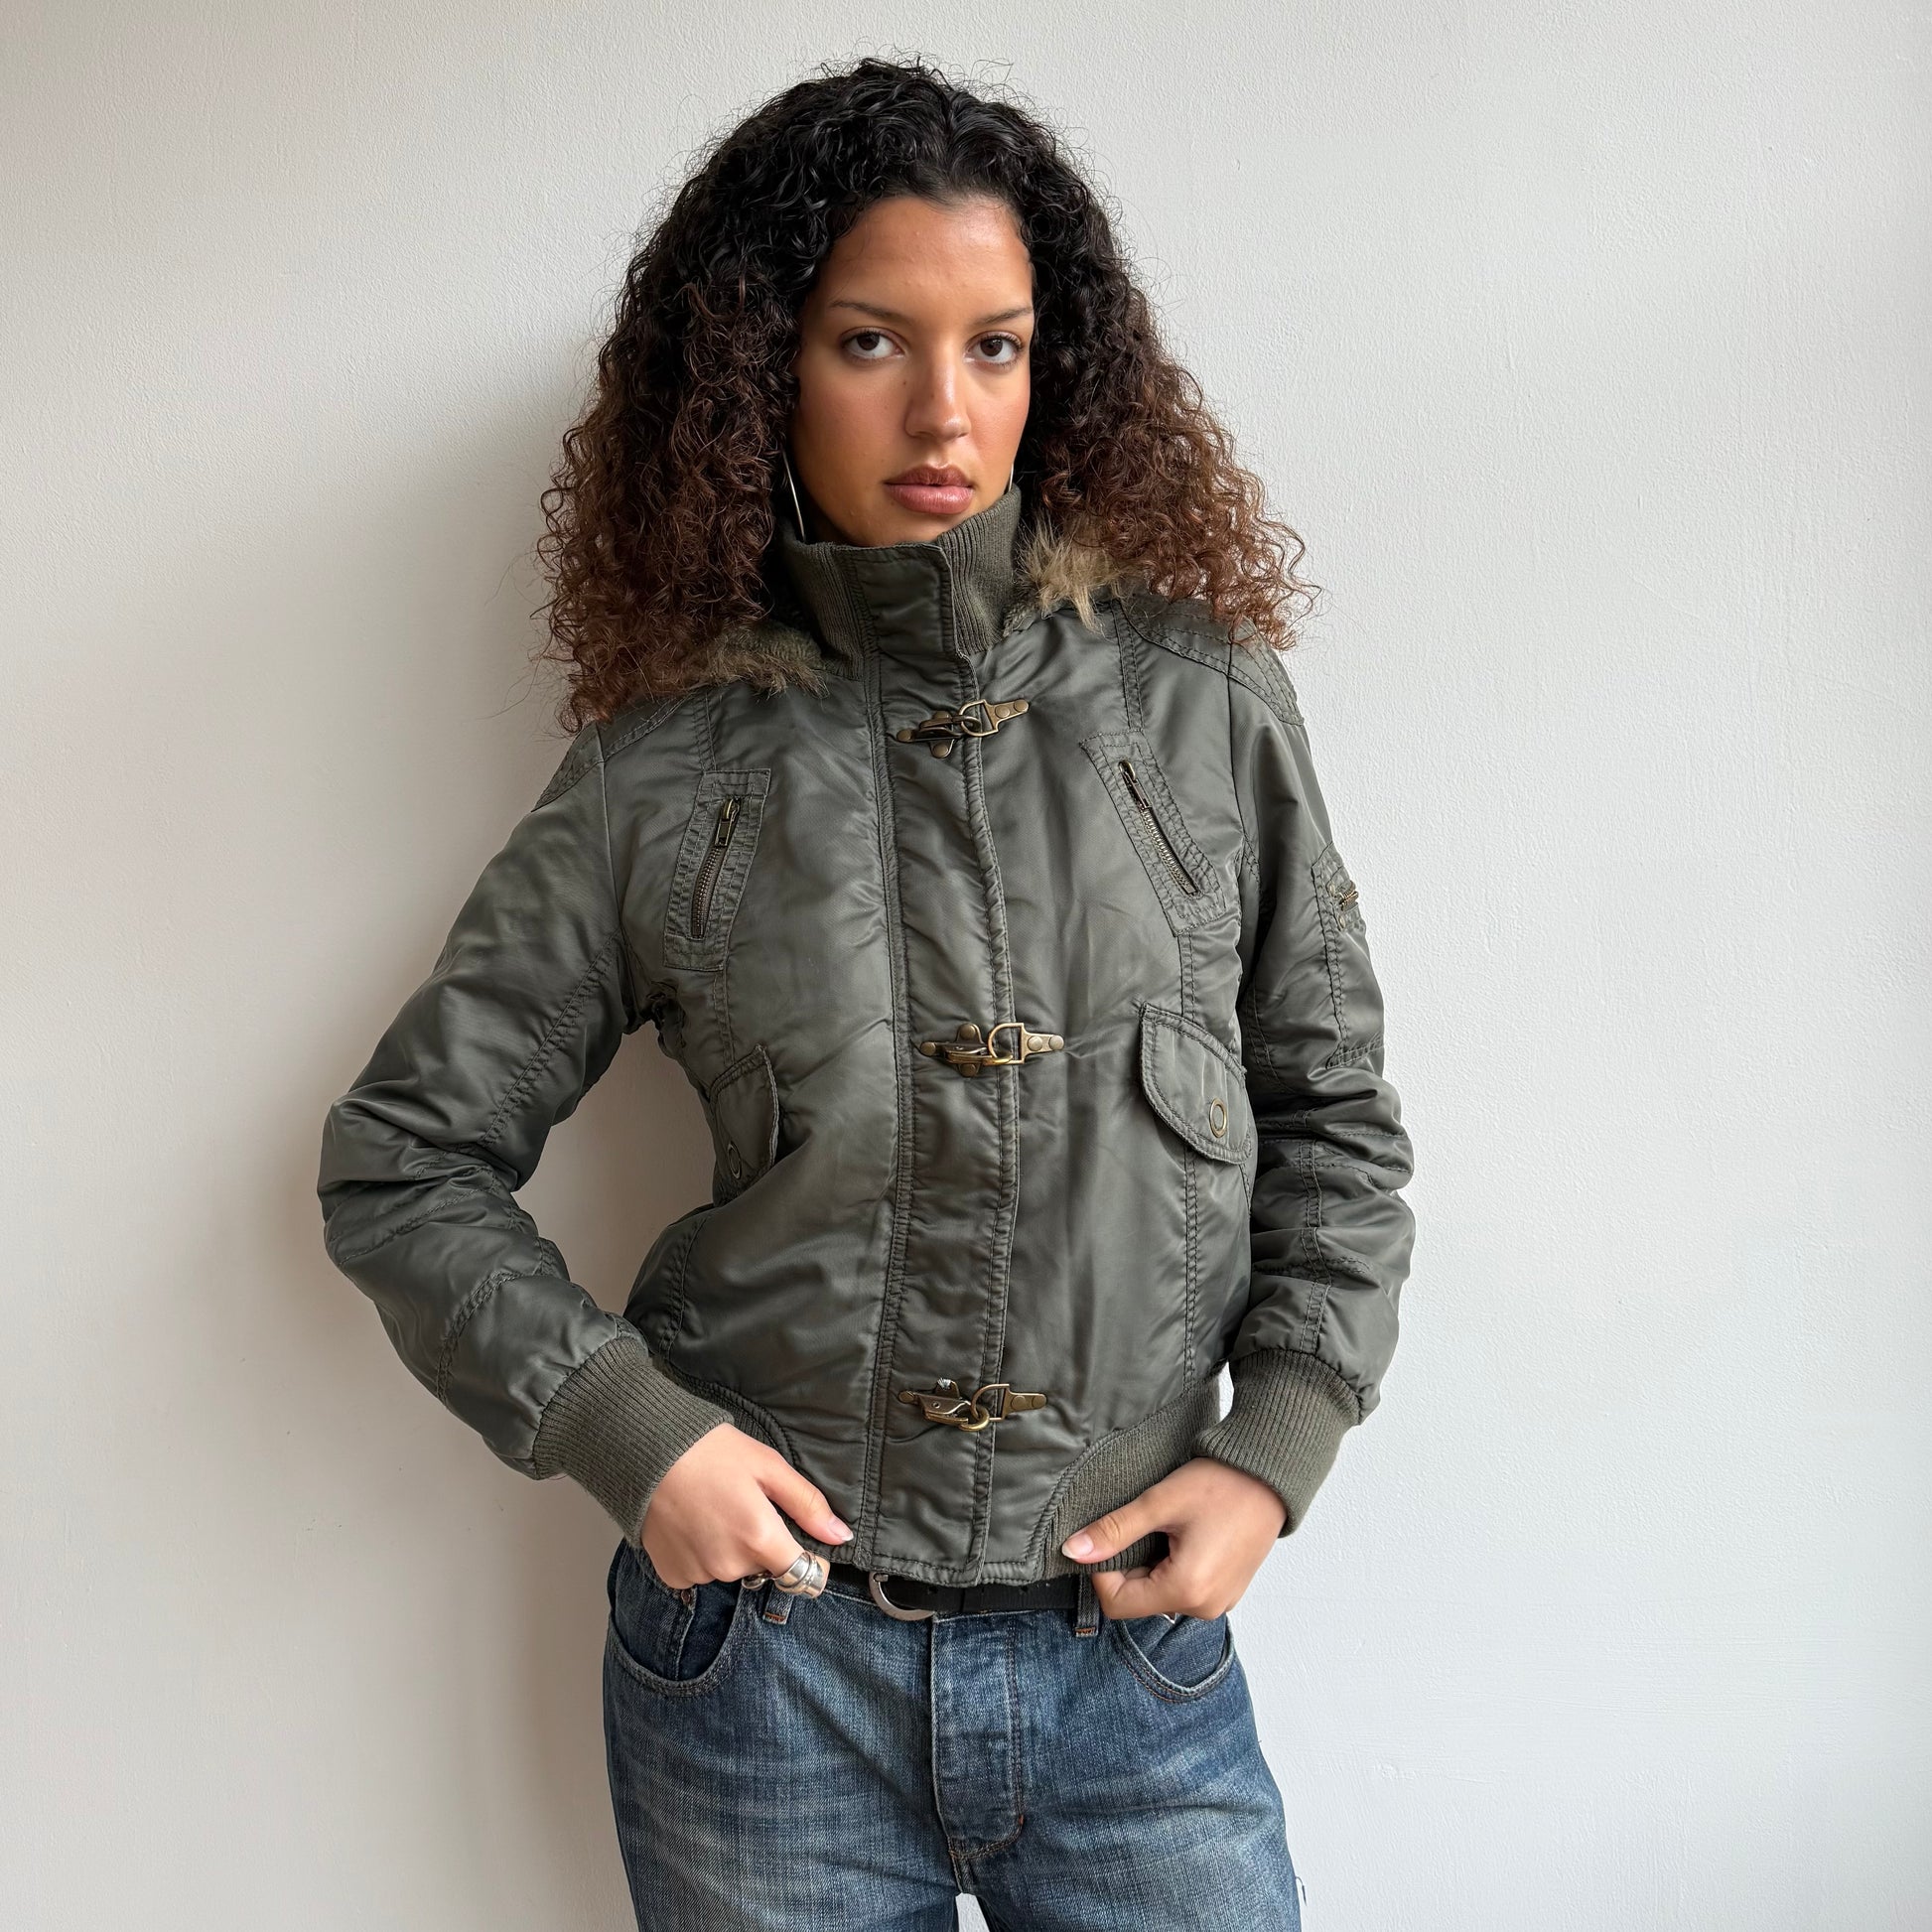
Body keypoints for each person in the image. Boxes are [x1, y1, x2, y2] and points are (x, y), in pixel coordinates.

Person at [317, 55, 1415, 1932]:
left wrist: (1278, 1442)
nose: (941, 410)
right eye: (868, 343)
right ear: (761, 369)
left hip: (1130, 1659)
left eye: (995, 347)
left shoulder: (1199, 708)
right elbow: (402, 1161)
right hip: (769, 1677)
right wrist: (633, 1432)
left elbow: (1333, 1120)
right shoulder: (664, 775)